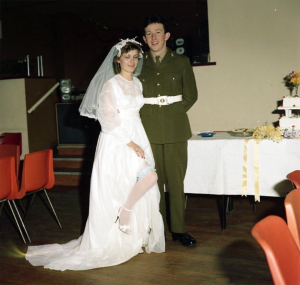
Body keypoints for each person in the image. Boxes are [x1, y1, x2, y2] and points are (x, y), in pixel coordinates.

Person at [25, 38, 165, 271]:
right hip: (118, 140)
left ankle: (132, 233)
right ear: (118, 59)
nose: (131, 61)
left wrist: (138, 140)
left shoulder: (138, 84)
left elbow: (134, 113)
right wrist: (130, 143)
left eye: (135, 57)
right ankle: (123, 214)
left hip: (137, 135)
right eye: (127, 57)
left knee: (144, 179)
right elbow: (107, 118)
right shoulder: (111, 85)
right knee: (138, 180)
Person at [138, 15, 198, 246]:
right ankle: (158, 229)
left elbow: (191, 96)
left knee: (176, 182)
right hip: (148, 130)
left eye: (158, 32)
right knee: (154, 182)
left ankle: (180, 230)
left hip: (175, 130)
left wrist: (170, 112)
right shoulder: (139, 63)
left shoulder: (181, 62)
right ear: (144, 38)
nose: (154, 37)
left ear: (167, 35)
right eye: (149, 34)